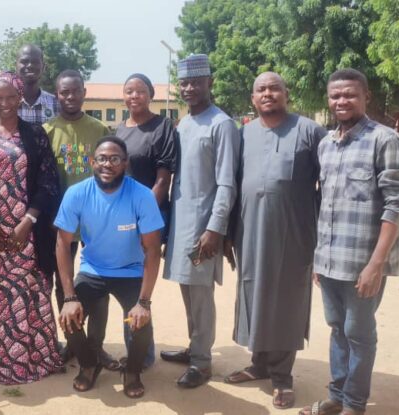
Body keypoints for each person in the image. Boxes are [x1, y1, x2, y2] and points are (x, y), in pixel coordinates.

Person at [299, 69, 399, 415]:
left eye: (350, 95)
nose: (342, 101)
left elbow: (395, 205)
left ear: (366, 98)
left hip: (363, 265)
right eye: (335, 96)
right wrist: (317, 257)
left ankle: (354, 406)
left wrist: (377, 265)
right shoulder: (326, 145)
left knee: (359, 334)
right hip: (329, 262)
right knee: (337, 330)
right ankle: (336, 397)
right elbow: (324, 204)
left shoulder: (384, 140)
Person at [224, 72, 326, 410]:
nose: (268, 94)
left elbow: (328, 187)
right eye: (261, 89)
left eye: (274, 88)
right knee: (254, 293)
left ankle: (282, 376)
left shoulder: (310, 131)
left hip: (294, 234)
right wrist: (226, 234)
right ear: (252, 98)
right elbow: (232, 186)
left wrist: (323, 238)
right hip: (249, 230)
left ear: (287, 93)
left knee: (286, 300)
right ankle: (260, 363)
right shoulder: (243, 134)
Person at [0, 71, 63, 384]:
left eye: (11, 97)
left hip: (28, 232)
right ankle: (1, 363)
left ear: (20, 98)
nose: (5, 103)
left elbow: (48, 182)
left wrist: (28, 221)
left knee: (30, 292)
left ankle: (38, 360)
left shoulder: (35, 134)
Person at [56, 136, 164, 399]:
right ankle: (89, 364)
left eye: (115, 159)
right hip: (93, 269)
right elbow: (62, 243)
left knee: (141, 321)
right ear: (92, 162)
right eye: (102, 158)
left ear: (125, 164)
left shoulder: (142, 195)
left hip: (131, 271)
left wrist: (144, 301)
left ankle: (133, 371)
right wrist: (69, 297)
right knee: (68, 316)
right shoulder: (77, 193)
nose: (108, 164)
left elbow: (152, 250)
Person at [161, 54, 240, 388]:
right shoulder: (186, 122)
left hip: (202, 227)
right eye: (184, 83)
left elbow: (227, 183)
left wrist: (214, 229)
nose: (190, 88)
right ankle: (196, 347)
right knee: (187, 288)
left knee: (201, 294)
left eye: (196, 81)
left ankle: (202, 363)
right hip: (181, 223)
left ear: (210, 82)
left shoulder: (221, 124)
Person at [43, 69, 119, 369]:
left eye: (75, 91)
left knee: (98, 288)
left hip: (95, 225)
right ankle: (74, 342)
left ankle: (95, 345)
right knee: (63, 287)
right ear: (57, 95)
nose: (70, 97)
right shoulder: (47, 130)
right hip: (58, 225)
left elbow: (112, 174)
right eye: (64, 92)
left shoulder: (100, 130)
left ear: (83, 93)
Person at [113, 73, 178, 370]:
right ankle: (138, 349)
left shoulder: (162, 127)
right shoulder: (119, 130)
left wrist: (142, 221)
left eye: (140, 91)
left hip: (146, 221)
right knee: (127, 287)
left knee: (140, 290)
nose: (134, 96)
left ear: (151, 94)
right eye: (129, 91)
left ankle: (142, 354)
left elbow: (163, 180)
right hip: (118, 220)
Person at [0, 45, 59, 125]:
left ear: (43, 67)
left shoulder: (56, 104)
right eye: (24, 61)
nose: (30, 65)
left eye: (35, 62)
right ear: (15, 66)